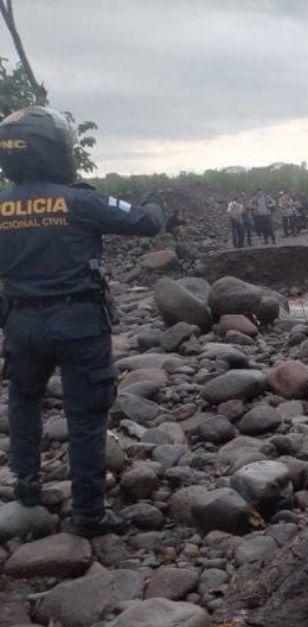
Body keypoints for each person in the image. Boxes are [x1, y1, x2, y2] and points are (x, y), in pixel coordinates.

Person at [0, 107, 166, 537]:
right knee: (87, 415)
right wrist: (154, 199)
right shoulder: (80, 200)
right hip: (78, 322)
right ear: (55, 151)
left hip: (20, 322)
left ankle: (27, 488)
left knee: (23, 403)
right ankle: (89, 513)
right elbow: (147, 223)